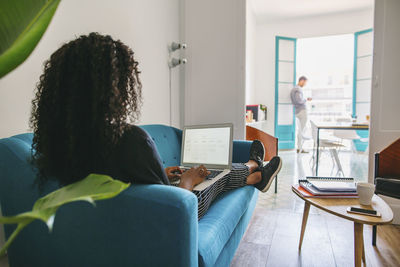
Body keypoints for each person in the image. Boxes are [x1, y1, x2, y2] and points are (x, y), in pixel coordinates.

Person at [30, 33, 282, 219]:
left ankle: (257, 172)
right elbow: (172, 208)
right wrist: (188, 179)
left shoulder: (58, 141)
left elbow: (122, 176)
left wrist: (160, 170)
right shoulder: (128, 139)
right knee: (219, 177)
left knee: (210, 173)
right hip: (182, 210)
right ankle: (254, 169)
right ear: (111, 88)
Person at [290, 76, 311, 153]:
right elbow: (299, 100)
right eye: (305, 82)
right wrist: (306, 99)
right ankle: (300, 148)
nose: (305, 84)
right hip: (302, 111)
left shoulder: (294, 89)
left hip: (297, 111)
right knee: (302, 130)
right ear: (302, 81)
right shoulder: (297, 89)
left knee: (300, 130)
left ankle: (299, 147)